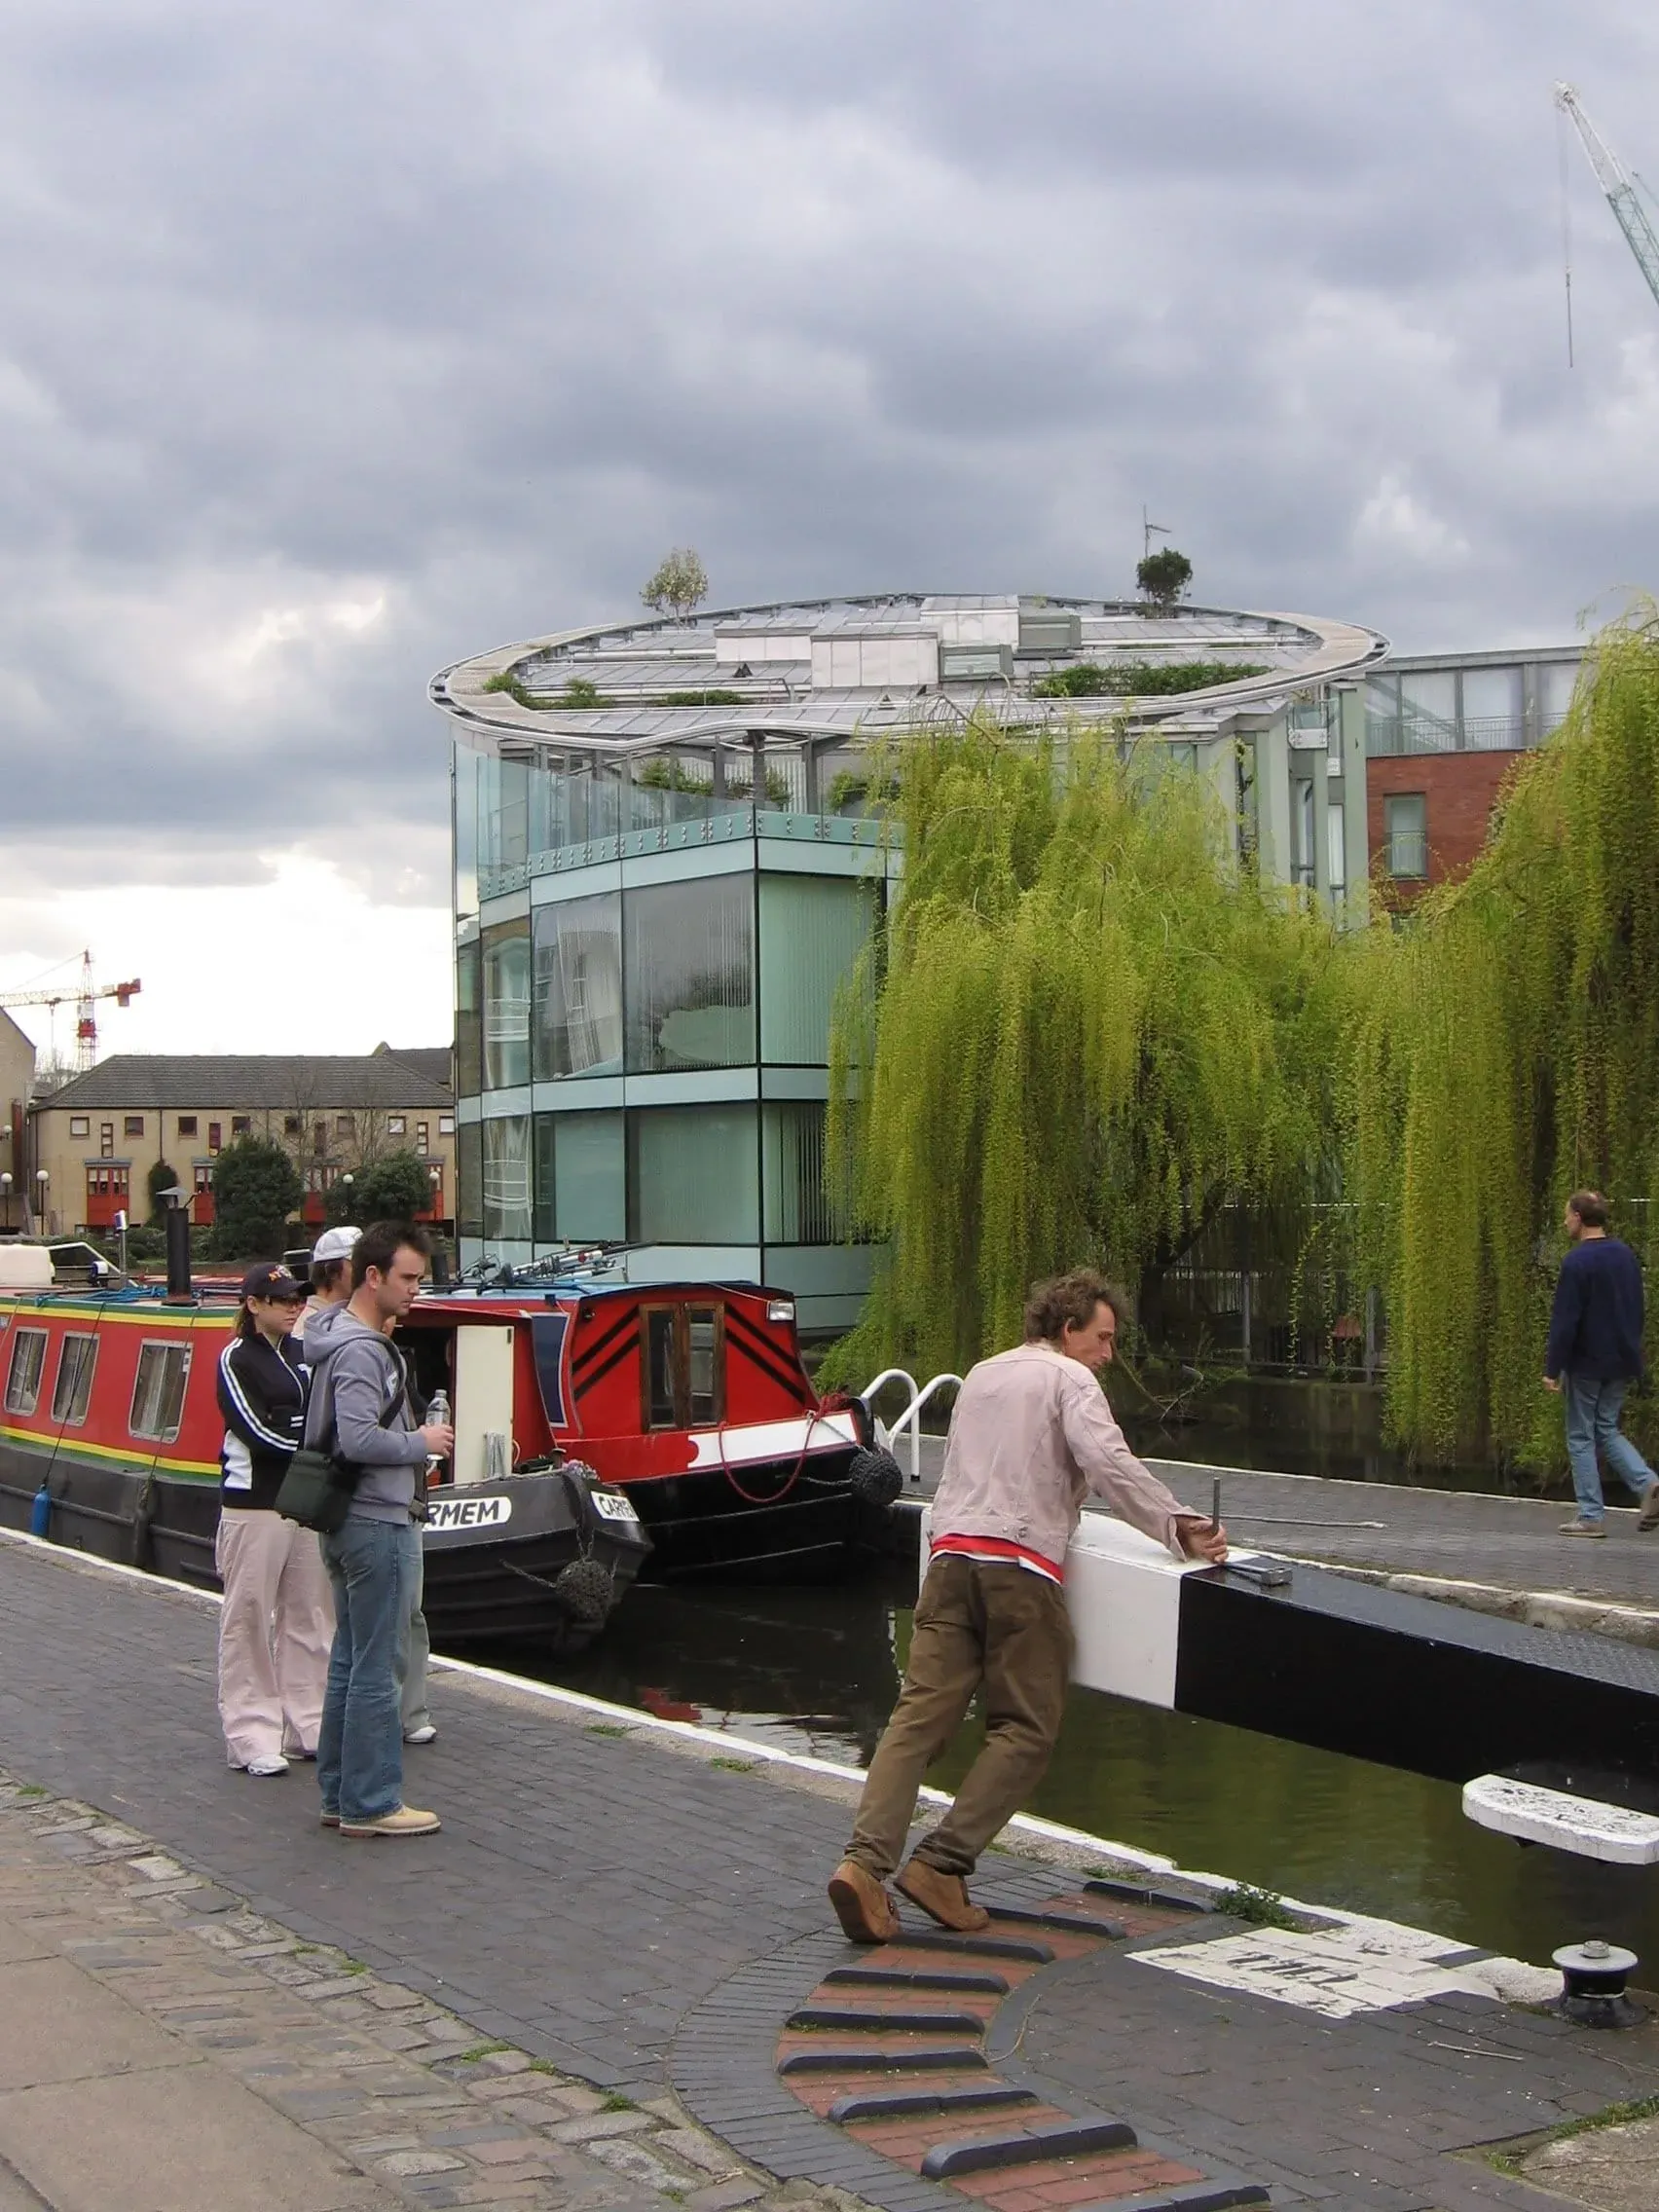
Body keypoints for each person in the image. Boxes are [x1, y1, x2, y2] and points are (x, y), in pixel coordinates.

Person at [829, 1270, 1229, 1943]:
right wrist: (1178, 1524)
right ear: (1068, 1329)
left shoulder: (982, 1373)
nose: (1108, 1355)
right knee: (1026, 1726)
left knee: (915, 1723)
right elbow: (1109, 1464)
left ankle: (864, 1866)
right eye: (1102, 1339)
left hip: (950, 1559)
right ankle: (942, 1865)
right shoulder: (1071, 1382)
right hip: (1020, 1569)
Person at [305, 1222, 454, 1838]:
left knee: (348, 1659)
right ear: (373, 1277)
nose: (417, 1290)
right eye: (408, 1278)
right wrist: (422, 1441)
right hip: (376, 1519)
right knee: (376, 1666)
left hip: (344, 1520)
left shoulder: (331, 1337)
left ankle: (339, 1795)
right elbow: (359, 1437)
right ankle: (373, 1802)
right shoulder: (364, 1348)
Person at [215, 1261, 334, 1778]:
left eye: (298, 1298)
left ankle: (308, 1721)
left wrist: (305, 1437)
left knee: (310, 1613)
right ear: (253, 1305)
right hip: (255, 1504)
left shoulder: (305, 1353)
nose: (294, 1306)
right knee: (248, 1616)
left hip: (305, 1504)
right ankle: (250, 1732)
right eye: (283, 1299)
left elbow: (322, 1418)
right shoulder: (235, 1359)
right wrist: (309, 1445)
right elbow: (257, 1433)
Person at [1544, 1190, 1659, 1538]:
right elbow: (1637, 1307)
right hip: (1622, 1358)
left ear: (1579, 1217)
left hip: (1587, 1362)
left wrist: (1553, 1367)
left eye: (1567, 1215)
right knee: (1606, 1428)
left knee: (1580, 1435)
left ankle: (1590, 1515)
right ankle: (1648, 1482)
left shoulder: (1577, 1262)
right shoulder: (1625, 1255)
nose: (1565, 1221)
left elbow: (1566, 1320)